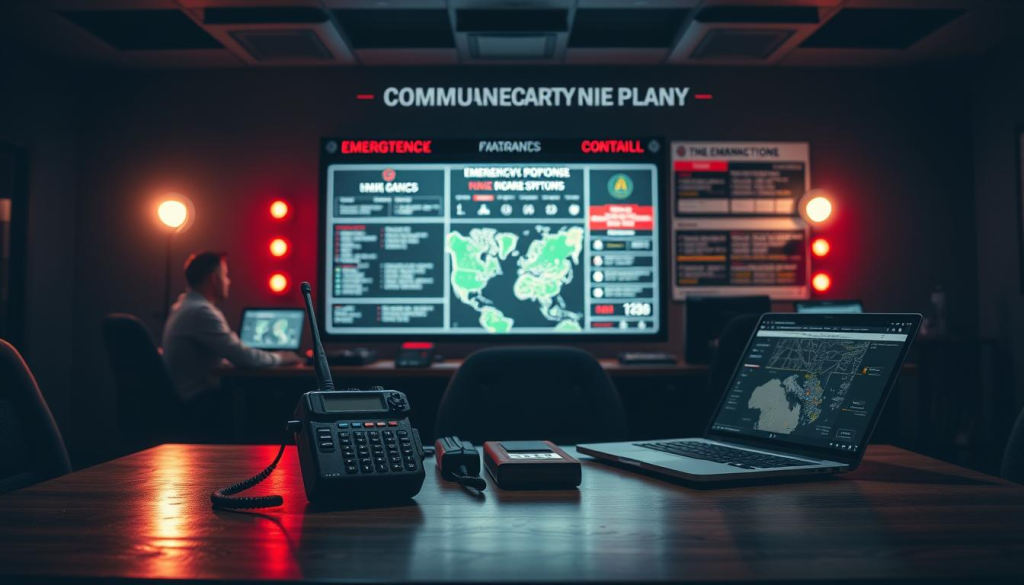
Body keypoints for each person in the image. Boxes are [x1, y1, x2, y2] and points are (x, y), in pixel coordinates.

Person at [162, 251, 300, 402]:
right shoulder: (201, 312)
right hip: (199, 401)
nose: (229, 281)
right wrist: (281, 358)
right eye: (225, 275)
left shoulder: (182, 306)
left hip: (184, 398)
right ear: (214, 278)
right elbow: (245, 358)